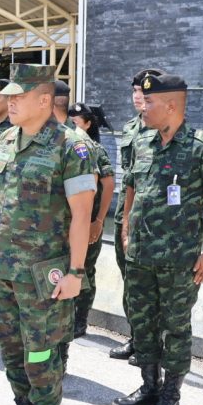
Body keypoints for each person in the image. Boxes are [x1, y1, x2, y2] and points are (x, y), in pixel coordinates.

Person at [0, 64, 95, 405]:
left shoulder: (71, 146)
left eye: (19, 96)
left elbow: (82, 215)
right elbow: (0, 197)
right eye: (9, 96)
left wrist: (76, 272)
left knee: (41, 352)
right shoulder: (6, 139)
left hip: (43, 273)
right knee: (12, 347)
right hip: (5, 269)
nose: (9, 102)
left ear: (45, 100)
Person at [112, 73, 203, 405]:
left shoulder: (202, 147)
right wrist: (126, 229)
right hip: (140, 255)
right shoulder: (143, 141)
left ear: (171, 105)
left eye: (149, 102)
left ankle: (171, 395)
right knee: (143, 323)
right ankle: (150, 386)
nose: (143, 107)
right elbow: (131, 186)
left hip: (179, 261)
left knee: (176, 327)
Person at [110, 68, 165, 362]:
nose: (137, 96)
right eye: (134, 91)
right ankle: (136, 337)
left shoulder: (164, 128)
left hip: (154, 219)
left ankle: (153, 344)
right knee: (130, 280)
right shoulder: (130, 128)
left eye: (143, 92)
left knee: (153, 286)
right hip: (126, 212)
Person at [67, 103, 116, 340]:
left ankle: (80, 319)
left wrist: (98, 220)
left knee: (84, 270)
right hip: (68, 222)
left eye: (76, 121)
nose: (72, 125)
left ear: (88, 124)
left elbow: (109, 185)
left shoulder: (95, 149)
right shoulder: (65, 146)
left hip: (88, 222)